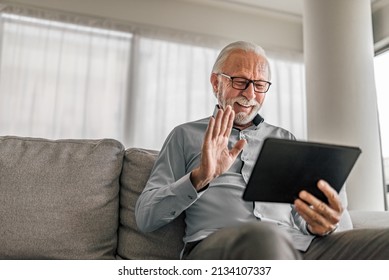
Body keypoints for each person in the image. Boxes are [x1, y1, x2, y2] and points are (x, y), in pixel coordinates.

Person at [135, 41, 389, 259]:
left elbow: (303, 216)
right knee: (264, 237)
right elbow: (146, 216)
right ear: (216, 83)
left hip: (296, 246)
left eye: (259, 85)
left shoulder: (285, 139)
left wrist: (322, 225)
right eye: (240, 81)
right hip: (219, 246)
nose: (250, 94)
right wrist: (200, 178)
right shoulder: (184, 135)